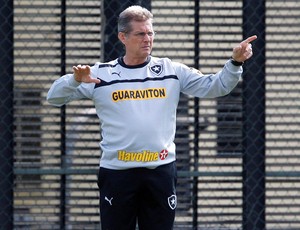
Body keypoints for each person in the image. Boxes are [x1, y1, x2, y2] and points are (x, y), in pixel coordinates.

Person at [47, 5, 257, 230]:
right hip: (117, 173)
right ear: (122, 37)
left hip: (160, 170)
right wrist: (74, 80)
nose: (147, 39)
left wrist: (235, 63)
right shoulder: (100, 75)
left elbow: (215, 86)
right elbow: (53, 97)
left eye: (150, 33)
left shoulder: (170, 70)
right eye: (140, 34)